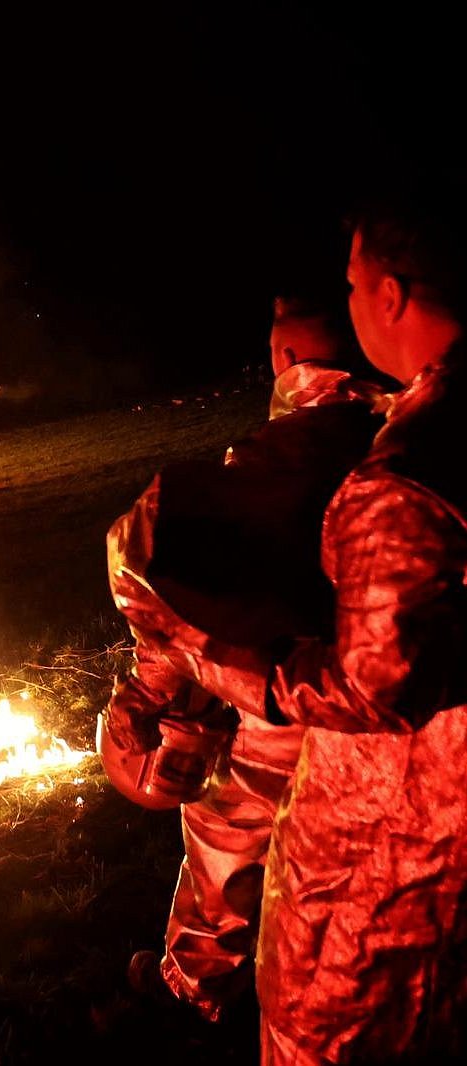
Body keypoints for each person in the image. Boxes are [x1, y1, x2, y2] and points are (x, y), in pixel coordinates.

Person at [124, 190, 467, 1063]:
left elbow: (375, 688)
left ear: (388, 296)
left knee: (339, 1025)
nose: (354, 304)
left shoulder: (404, 477)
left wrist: (218, 656)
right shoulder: (416, 425)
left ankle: (191, 987)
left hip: (399, 853)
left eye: (355, 283)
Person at [103, 287, 390, 1023]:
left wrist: (151, 689)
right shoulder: (407, 431)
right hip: (395, 691)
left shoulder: (281, 451)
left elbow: (178, 584)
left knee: (225, 832)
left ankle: (194, 985)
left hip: (295, 691)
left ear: (287, 358)